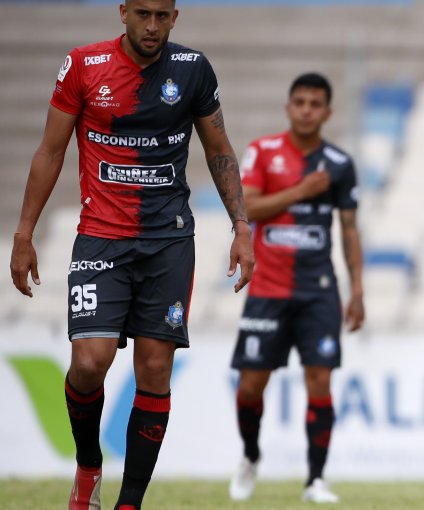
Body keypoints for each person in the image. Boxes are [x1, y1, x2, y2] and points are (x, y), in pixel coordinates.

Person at [7, 0, 254, 509]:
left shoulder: (192, 70)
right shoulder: (83, 65)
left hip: (169, 240)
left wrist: (241, 226)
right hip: (101, 235)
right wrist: (24, 233)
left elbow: (219, 149)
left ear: (175, 17)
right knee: (89, 361)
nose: (152, 25)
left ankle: (129, 503)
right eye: (143, 13)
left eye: (163, 15)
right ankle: (87, 467)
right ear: (122, 12)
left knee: (155, 370)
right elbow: (51, 150)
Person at [227, 72, 364, 504]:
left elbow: (349, 230)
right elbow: (247, 204)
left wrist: (357, 289)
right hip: (267, 288)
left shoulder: (339, 165)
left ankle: (315, 480)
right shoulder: (264, 152)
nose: (306, 109)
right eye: (299, 102)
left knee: (319, 382)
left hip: (319, 291)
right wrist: (301, 190)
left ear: (327, 111)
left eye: (315, 103)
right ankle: (250, 455)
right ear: (289, 107)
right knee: (250, 387)